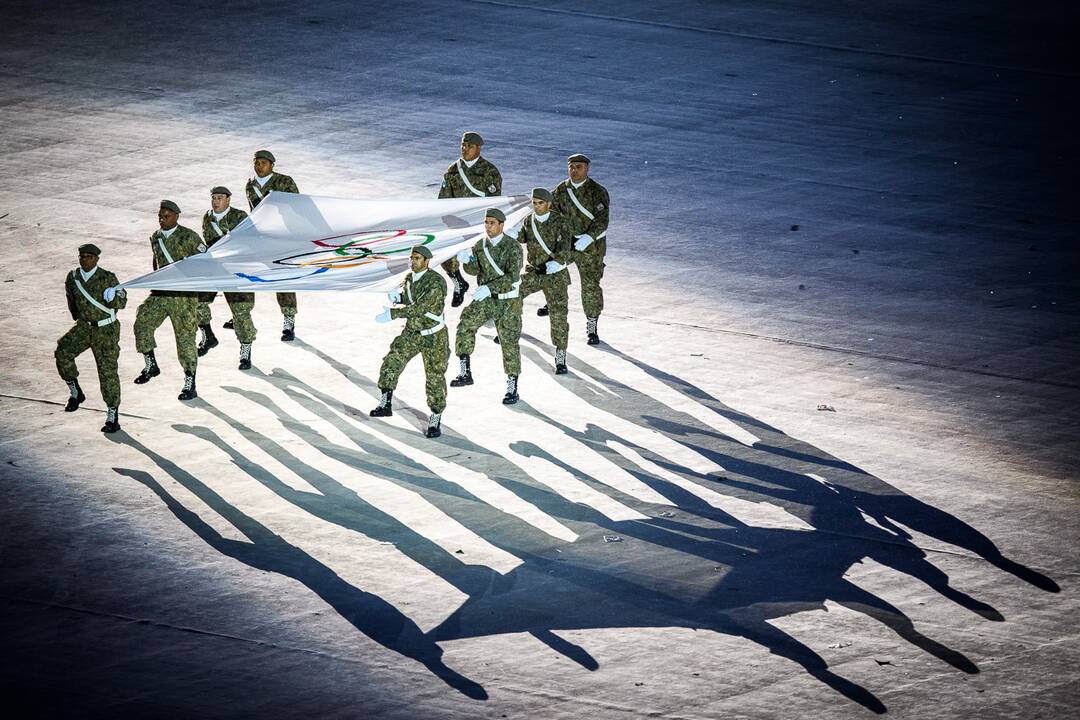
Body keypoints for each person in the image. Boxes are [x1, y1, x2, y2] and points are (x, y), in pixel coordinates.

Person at [370, 245, 448, 438]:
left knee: (434, 376)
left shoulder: (437, 282)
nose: (412, 262)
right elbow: (412, 299)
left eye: (417, 259)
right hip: (413, 331)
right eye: (411, 258)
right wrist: (400, 297)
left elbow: (421, 307)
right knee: (392, 361)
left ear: (427, 261)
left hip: (433, 335)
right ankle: (385, 402)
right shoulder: (410, 279)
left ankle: (436, 416)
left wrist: (393, 313)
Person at [450, 208, 523, 404]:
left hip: (507, 299)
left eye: (492, 223)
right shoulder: (480, 245)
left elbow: (512, 277)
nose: (488, 226)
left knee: (508, 342)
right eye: (486, 223)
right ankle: (465, 371)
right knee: (465, 325)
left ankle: (512, 385)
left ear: (501, 225)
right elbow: (474, 270)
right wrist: (466, 261)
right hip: (487, 299)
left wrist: (489, 288)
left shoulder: (513, 247)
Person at [132, 200, 202, 401]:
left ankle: (190, 381)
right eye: (160, 217)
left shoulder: (189, 237)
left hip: (183, 296)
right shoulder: (155, 237)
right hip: (161, 292)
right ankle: (151, 364)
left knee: (185, 339)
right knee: (142, 323)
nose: (162, 220)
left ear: (176, 216)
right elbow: (157, 261)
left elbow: (206, 261)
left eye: (166, 216)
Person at [55, 244, 127, 433]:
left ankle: (112, 414)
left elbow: (123, 302)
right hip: (84, 327)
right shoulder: (73, 277)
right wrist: (78, 318)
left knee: (107, 371)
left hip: (105, 329)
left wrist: (113, 298)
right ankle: (75, 391)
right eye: (82, 256)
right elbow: (71, 299)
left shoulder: (108, 277)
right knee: (62, 351)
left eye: (88, 256)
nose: (84, 260)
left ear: (96, 259)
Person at [438, 131, 502, 307]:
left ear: (478, 148)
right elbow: (443, 202)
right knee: (444, 253)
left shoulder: (489, 171)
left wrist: (488, 227)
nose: (465, 149)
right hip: (457, 224)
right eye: (463, 146)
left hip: (481, 225)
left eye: (470, 146)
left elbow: (494, 203)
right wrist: (449, 222)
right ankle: (459, 283)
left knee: (484, 263)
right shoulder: (452, 171)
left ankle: (489, 301)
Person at [551, 153, 610, 345]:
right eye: (571, 167)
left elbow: (602, 222)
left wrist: (589, 237)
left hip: (590, 247)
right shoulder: (560, 190)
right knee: (546, 272)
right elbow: (552, 215)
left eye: (578, 167)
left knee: (590, 286)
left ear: (587, 169)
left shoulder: (597, 191)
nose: (574, 170)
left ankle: (592, 324)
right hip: (567, 244)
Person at [514, 187, 574, 374]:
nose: (537, 206)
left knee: (558, 315)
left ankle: (561, 353)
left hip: (555, 275)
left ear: (548, 204)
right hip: (534, 272)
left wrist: (558, 263)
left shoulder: (560, 222)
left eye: (540, 203)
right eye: (534, 203)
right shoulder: (528, 221)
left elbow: (565, 248)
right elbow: (521, 239)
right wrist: (510, 231)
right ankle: (512, 330)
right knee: (512, 294)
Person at [245, 149, 300, 341]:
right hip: (259, 237)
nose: (259, 166)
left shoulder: (284, 182)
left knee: (282, 277)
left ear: (272, 165)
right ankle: (240, 314)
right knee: (246, 272)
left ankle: (289, 319)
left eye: (263, 163)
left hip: (280, 236)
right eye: (257, 163)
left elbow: (297, 206)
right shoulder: (250, 185)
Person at [199, 186, 256, 369]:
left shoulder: (240, 217)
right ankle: (208, 336)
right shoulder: (207, 217)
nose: (216, 201)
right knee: (196, 302)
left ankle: (245, 350)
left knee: (240, 311)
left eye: (220, 198)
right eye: (213, 198)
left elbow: (250, 241)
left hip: (236, 269)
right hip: (214, 268)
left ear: (228, 200)